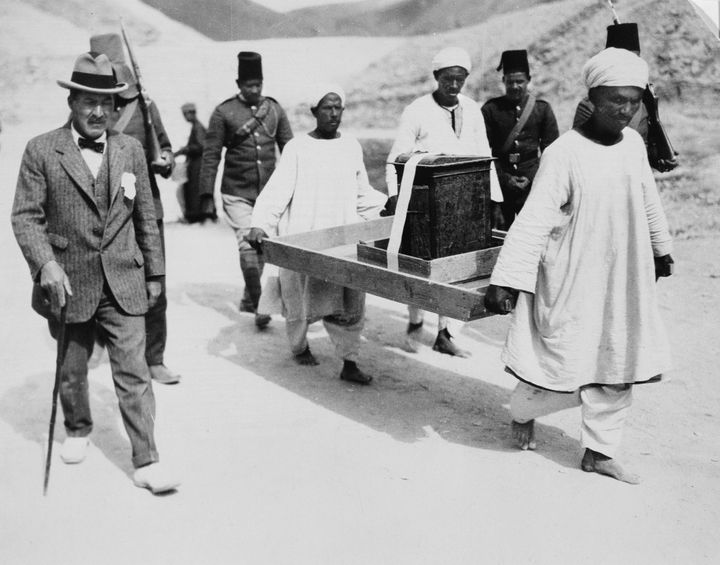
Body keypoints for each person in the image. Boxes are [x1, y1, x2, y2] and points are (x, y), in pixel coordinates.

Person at [484, 47, 674, 484]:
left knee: (617, 357)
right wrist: (507, 280)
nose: (625, 111)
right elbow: (533, 222)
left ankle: (599, 452)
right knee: (559, 356)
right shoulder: (564, 152)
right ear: (593, 97)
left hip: (622, 272)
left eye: (633, 101)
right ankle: (524, 410)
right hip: (571, 272)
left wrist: (660, 248)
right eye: (615, 101)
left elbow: (648, 199)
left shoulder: (632, 145)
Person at [11, 52, 180, 493]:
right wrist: (45, 263)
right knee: (72, 369)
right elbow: (25, 217)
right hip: (66, 283)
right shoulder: (41, 149)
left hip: (124, 279)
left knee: (134, 372)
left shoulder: (130, 149)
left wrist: (156, 272)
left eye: (107, 103)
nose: (99, 112)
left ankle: (147, 458)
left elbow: (145, 215)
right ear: (72, 102)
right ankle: (79, 427)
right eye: (89, 101)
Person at [246, 85, 388, 385]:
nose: (334, 114)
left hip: (343, 237)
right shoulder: (297, 148)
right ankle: (299, 346)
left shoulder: (351, 146)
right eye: (327, 107)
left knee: (351, 300)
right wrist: (261, 222)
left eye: (338, 108)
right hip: (305, 234)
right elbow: (278, 190)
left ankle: (349, 361)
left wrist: (387, 205)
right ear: (314, 111)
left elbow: (362, 193)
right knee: (300, 298)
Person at [385, 46, 504, 357]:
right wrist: (396, 197)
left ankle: (446, 332)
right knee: (421, 266)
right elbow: (395, 158)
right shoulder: (416, 110)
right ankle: (415, 321)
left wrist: (494, 199)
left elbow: (484, 155)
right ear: (436, 77)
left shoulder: (473, 110)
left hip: (466, 204)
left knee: (460, 269)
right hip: (425, 205)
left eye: (460, 79)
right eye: (448, 79)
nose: (454, 85)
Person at [90, 33, 180, 385]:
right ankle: (101, 343)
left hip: (146, 210)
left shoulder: (144, 105)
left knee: (154, 282)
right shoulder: (89, 111)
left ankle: (154, 358)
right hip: (101, 212)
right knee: (99, 281)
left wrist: (164, 161)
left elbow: (168, 152)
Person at [199, 51, 294, 329]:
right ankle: (259, 307)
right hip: (236, 192)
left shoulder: (274, 109)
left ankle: (247, 297)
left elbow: (290, 150)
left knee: (262, 246)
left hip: (268, 193)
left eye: (259, 85)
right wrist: (206, 195)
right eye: (249, 85)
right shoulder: (223, 112)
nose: (255, 90)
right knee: (247, 245)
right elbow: (211, 154)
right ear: (238, 84)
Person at [572, 23, 679, 172]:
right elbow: (581, 156)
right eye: (626, 61)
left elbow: (647, 152)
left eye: (636, 59)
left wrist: (660, 158)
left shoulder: (643, 104)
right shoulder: (589, 106)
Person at [481, 49, 559, 229]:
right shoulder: (491, 110)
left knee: (533, 234)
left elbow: (551, 151)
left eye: (520, 81)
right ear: (503, 81)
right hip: (501, 188)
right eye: (510, 82)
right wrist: (504, 179)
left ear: (528, 81)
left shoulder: (542, 109)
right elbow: (484, 152)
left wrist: (531, 177)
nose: (515, 86)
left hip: (533, 184)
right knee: (500, 237)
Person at [175, 102, 215, 223]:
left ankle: (198, 216)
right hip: (195, 163)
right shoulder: (196, 127)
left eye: (186, 114)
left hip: (199, 164)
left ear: (191, 114)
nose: (185, 117)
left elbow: (201, 146)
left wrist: (184, 150)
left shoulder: (198, 127)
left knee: (195, 190)